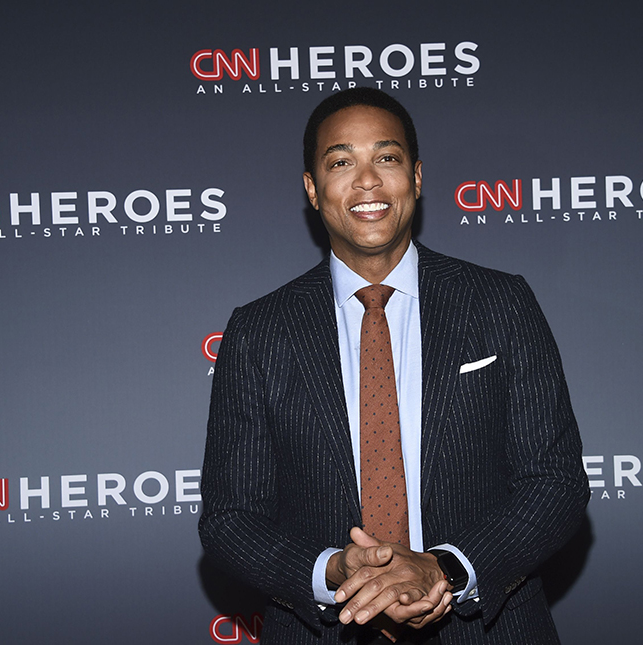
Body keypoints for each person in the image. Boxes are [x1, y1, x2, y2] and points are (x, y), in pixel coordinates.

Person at [199, 88, 589, 644]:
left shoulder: (500, 302)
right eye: (341, 162)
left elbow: (555, 484)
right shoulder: (260, 331)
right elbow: (231, 519)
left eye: (387, 158)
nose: (367, 181)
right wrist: (335, 572)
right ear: (313, 189)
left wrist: (445, 568)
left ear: (418, 176)